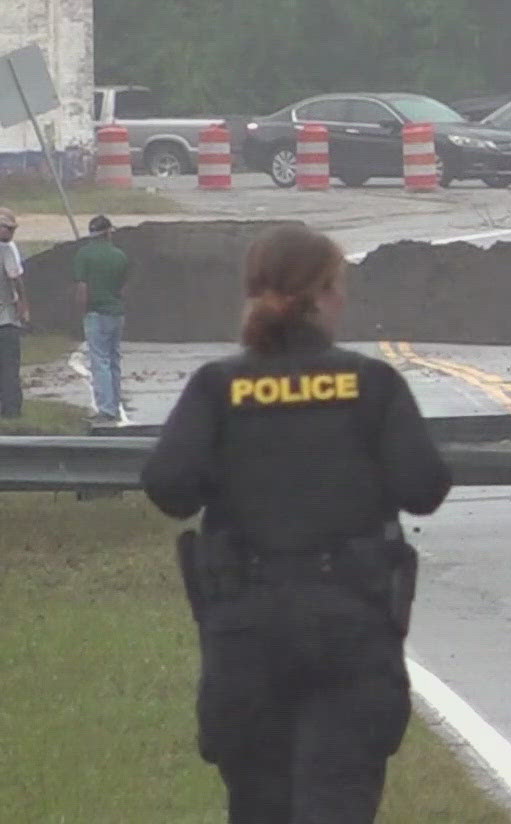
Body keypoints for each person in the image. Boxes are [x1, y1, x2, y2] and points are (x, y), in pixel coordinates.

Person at [141, 223, 451, 823]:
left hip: (247, 630)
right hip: (349, 629)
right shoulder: (369, 385)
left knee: (259, 806)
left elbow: (169, 486)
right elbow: (425, 487)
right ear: (324, 294)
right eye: (340, 288)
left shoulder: (219, 388)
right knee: (336, 801)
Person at [73, 214, 131, 425]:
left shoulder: (84, 255)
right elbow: (123, 288)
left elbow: (82, 288)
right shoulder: (120, 256)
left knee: (100, 361)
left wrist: (82, 311)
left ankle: (106, 408)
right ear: (107, 232)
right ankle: (114, 404)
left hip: (95, 313)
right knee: (114, 360)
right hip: (116, 312)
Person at [0, 206, 27, 419]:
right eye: (9, 229)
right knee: (9, 367)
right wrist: (23, 304)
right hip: (5, 319)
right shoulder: (6, 250)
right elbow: (15, 278)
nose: (12, 233)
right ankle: (11, 409)